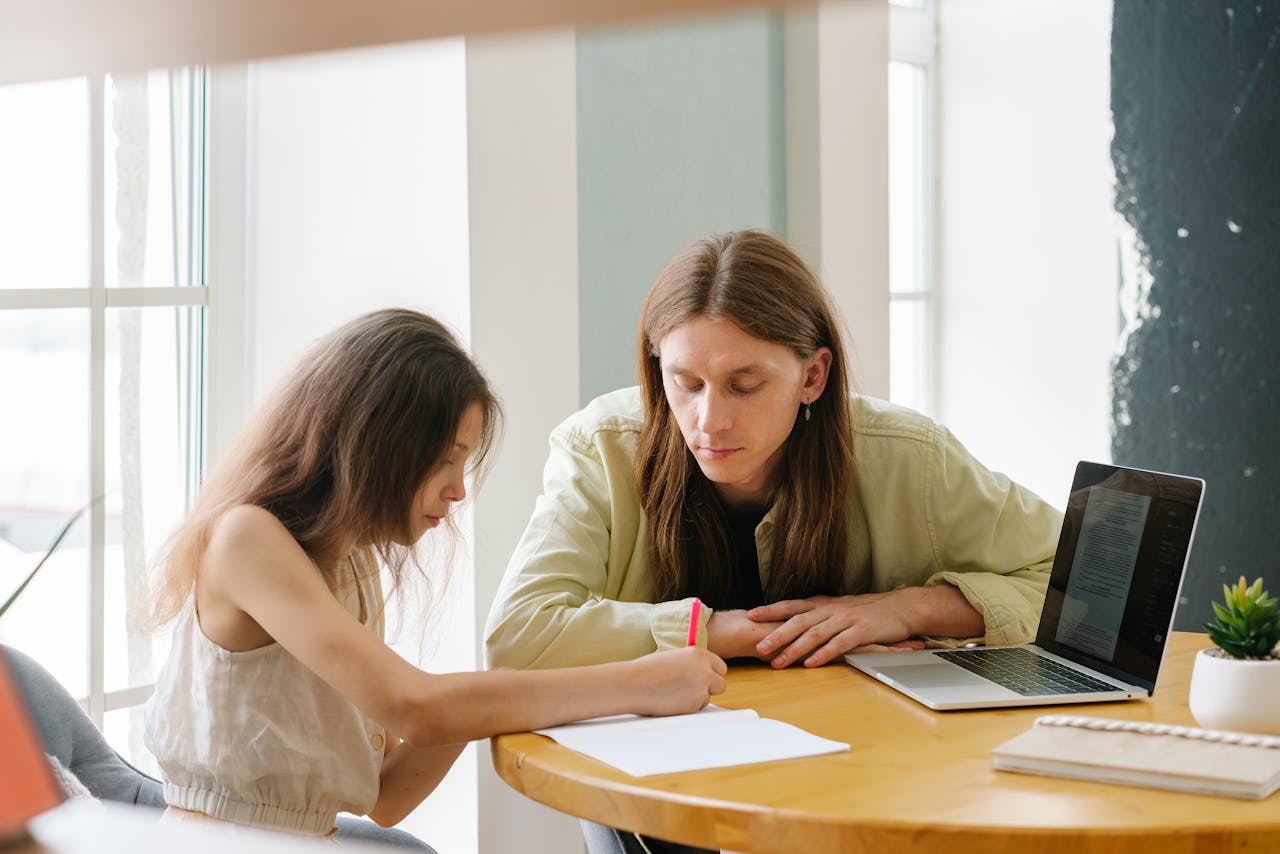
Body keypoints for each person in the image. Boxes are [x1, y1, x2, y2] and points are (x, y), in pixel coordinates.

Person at [482, 231, 1063, 854]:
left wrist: (908, 607)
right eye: (685, 382)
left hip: (869, 783)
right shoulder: (598, 447)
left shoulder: (910, 457)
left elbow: (1076, 585)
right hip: (662, 799)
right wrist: (717, 631)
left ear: (812, 375)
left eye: (744, 384)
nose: (708, 420)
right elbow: (517, 636)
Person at [141, 309, 726, 844]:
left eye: (464, 462)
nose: (458, 488)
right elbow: (415, 708)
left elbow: (390, 794)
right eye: (445, 458)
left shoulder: (349, 563)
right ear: (375, 441)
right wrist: (636, 684)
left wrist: (491, 694)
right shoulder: (248, 539)